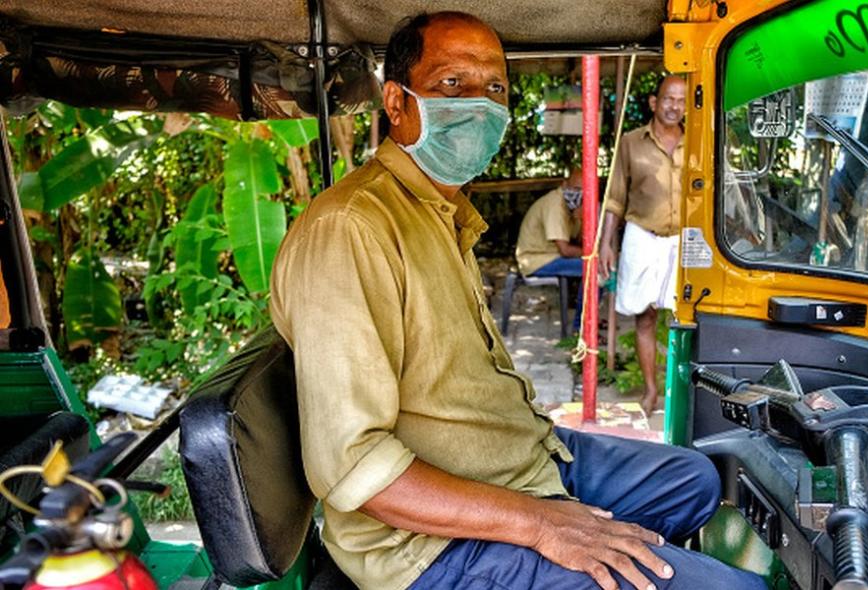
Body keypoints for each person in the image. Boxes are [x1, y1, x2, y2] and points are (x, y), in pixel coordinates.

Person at [270, 12, 765, 590]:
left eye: (496, 88)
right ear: (397, 104)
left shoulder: (438, 211)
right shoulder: (352, 229)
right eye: (453, 84)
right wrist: (539, 522)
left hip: (518, 463)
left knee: (695, 480)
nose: (480, 105)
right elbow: (356, 468)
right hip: (425, 546)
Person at [598, 75, 685, 416]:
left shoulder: (697, 141)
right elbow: (615, 197)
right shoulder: (631, 142)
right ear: (653, 102)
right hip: (642, 235)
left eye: (680, 100)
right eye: (668, 99)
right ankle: (650, 391)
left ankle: (678, 390)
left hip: (683, 239)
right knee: (644, 317)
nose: (674, 106)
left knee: (686, 316)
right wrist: (608, 244)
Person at [516, 168, 584, 278]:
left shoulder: (574, 207)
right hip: (537, 260)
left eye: (584, 191)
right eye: (576, 188)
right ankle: (584, 296)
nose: (580, 194)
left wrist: (583, 220)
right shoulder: (555, 204)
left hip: (552, 256)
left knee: (595, 264)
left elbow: (579, 242)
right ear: (564, 184)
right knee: (595, 267)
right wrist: (592, 255)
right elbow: (565, 251)